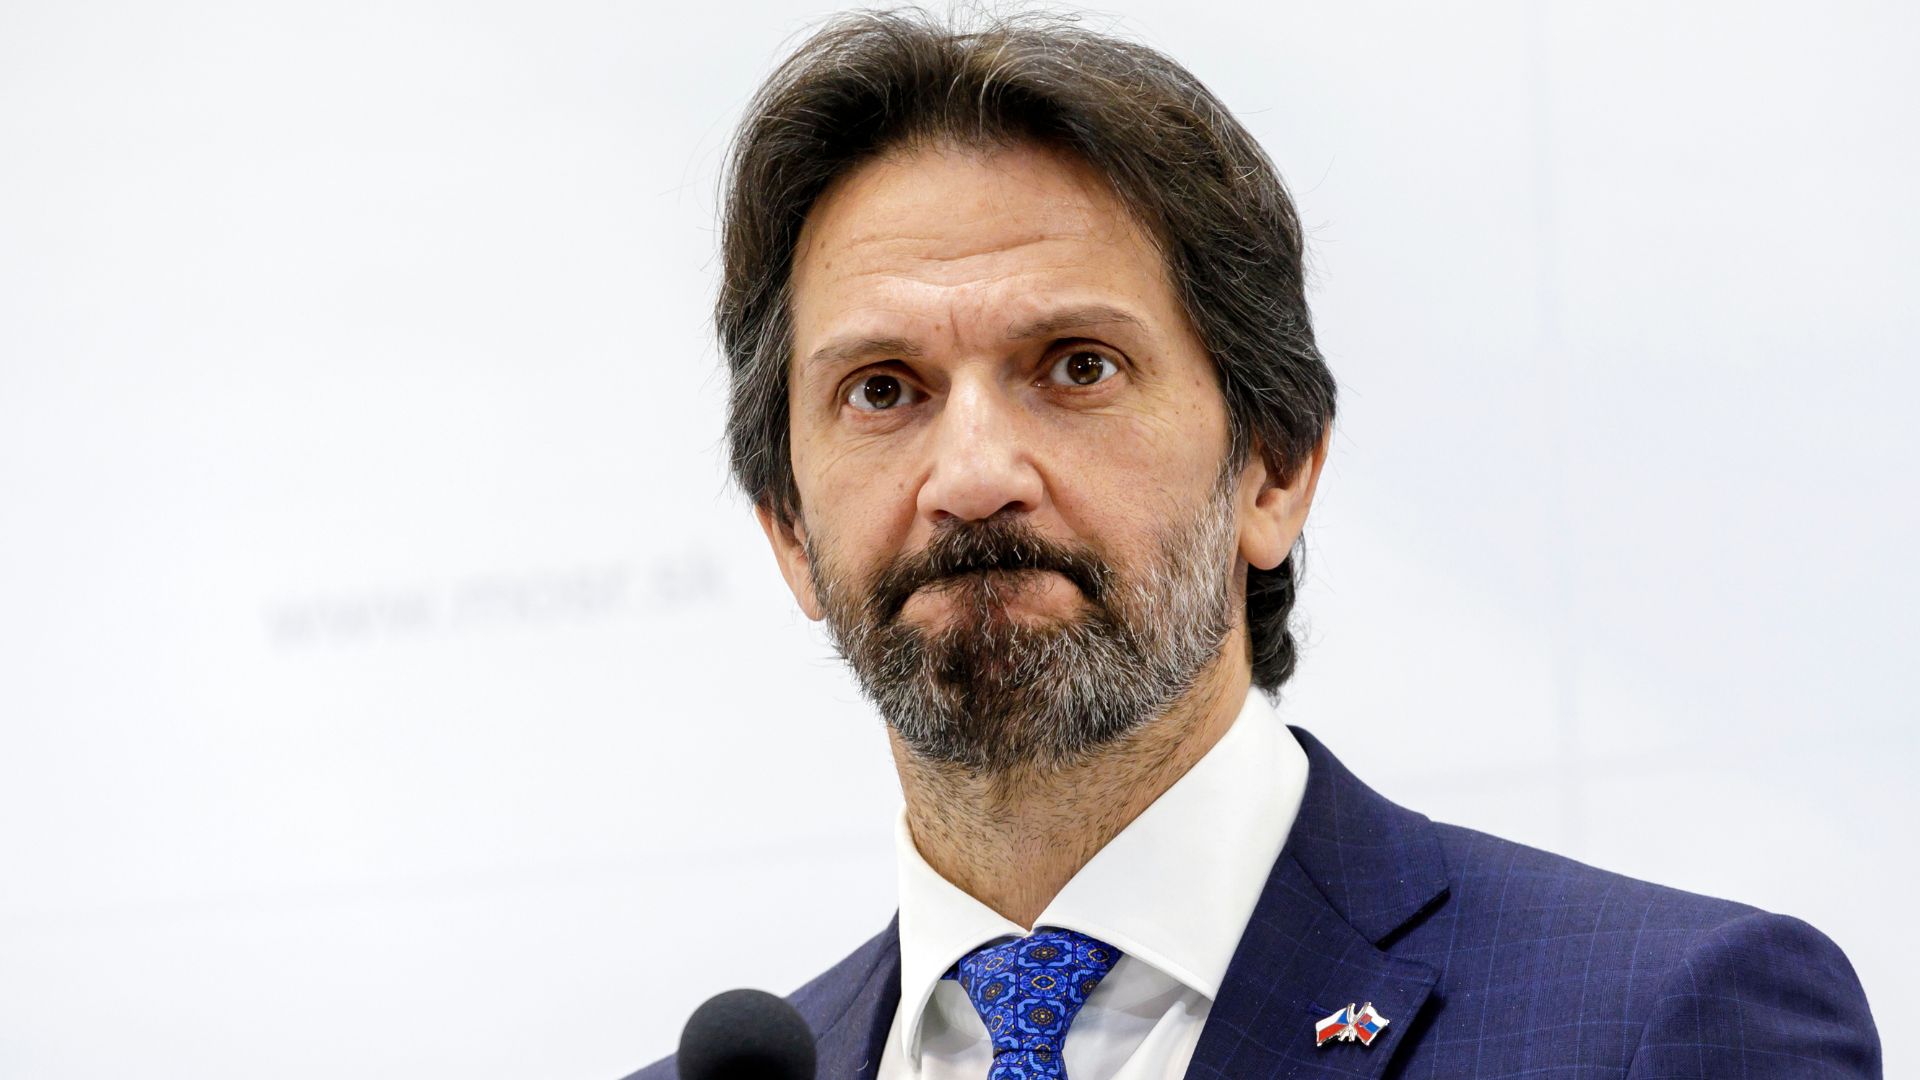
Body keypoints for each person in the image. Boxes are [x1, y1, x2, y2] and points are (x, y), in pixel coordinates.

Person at [630, 10, 1880, 1079]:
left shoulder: (1658, 1022)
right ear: (788, 529)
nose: (972, 477)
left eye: (1077, 367)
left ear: (1274, 468)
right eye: (883, 390)